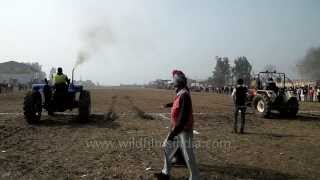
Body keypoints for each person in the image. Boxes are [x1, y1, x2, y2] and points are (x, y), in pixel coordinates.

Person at [155, 70, 200, 180]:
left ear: (178, 82)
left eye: (174, 80)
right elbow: (176, 105)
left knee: (188, 155)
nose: (172, 82)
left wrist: (173, 133)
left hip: (183, 130)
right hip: (177, 128)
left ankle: (194, 177)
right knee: (167, 148)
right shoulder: (180, 94)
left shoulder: (184, 95)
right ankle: (165, 173)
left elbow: (183, 118)